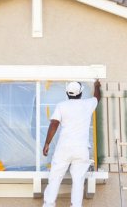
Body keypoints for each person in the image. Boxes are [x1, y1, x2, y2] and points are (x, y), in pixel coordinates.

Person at [42, 79, 101, 207]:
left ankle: (49, 204)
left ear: (67, 93)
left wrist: (47, 143)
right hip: (81, 149)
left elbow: (54, 124)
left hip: (64, 147)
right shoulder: (87, 104)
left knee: (55, 177)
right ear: (80, 93)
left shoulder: (62, 106)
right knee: (78, 180)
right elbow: (97, 97)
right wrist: (96, 86)